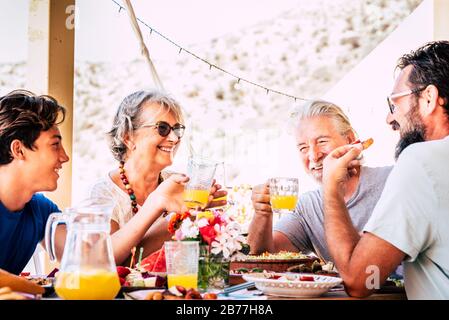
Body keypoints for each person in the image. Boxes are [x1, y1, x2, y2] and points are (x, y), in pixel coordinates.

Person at [322, 40, 449, 299]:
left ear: (429, 98)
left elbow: (361, 281)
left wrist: (330, 189)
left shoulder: (421, 161)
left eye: (395, 104)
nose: (390, 118)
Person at [89, 90, 227, 265]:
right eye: (163, 128)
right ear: (128, 137)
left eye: (177, 129)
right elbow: (102, 262)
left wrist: (194, 218)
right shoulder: (103, 193)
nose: (174, 138)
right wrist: (160, 206)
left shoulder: (180, 185)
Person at [248, 100, 392, 262]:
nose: (313, 155)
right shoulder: (307, 207)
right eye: (303, 148)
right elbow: (265, 254)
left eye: (322, 141)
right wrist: (262, 213)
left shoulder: (392, 180)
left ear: (350, 139)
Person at [0, 90, 69, 275]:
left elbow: (83, 260)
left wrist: (153, 209)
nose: (65, 157)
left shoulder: (41, 210)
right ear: (19, 150)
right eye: (55, 145)